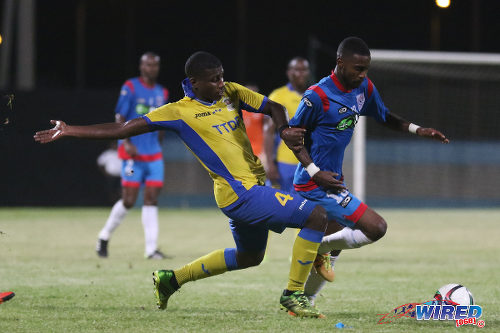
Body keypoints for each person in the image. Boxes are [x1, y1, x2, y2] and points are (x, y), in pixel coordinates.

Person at [34, 51, 342, 318]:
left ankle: (171, 279)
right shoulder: (179, 112)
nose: (221, 83)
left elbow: (274, 107)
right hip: (241, 194)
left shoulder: (231, 92)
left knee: (250, 257)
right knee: (316, 216)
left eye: (222, 77)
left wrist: (284, 129)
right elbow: (123, 128)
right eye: (213, 79)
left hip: (247, 191)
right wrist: (71, 129)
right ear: (194, 82)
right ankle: (294, 293)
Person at [288, 37, 449, 305]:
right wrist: (315, 171)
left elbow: (384, 116)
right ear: (340, 63)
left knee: (334, 245)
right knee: (376, 227)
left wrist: (418, 130)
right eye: (357, 69)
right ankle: (317, 251)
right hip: (312, 183)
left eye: (366, 69)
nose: (363, 74)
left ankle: (304, 301)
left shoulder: (363, 87)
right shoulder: (317, 96)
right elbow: (293, 137)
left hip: (333, 182)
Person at [95, 52, 170, 259]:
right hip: (132, 154)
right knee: (128, 200)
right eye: (148, 65)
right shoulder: (130, 87)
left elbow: (163, 121)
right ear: (141, 66)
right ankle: (104, 236)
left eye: (155, 65)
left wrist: (159, 143)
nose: (152, 68)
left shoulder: (162, 92)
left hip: (154, 154)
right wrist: (125, 142)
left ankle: (151, 249)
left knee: (152, 199)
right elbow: (119, 117)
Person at [264, 57, 311, 192]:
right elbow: (268, 131)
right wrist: (270, 164)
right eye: (297, 70)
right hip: (285, 163)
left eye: (304, 70)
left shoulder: (315, 96)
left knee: (309, 208)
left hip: (310, 163)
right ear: (289, 72)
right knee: (285, 207)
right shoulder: (278, 96)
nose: (301, 73)